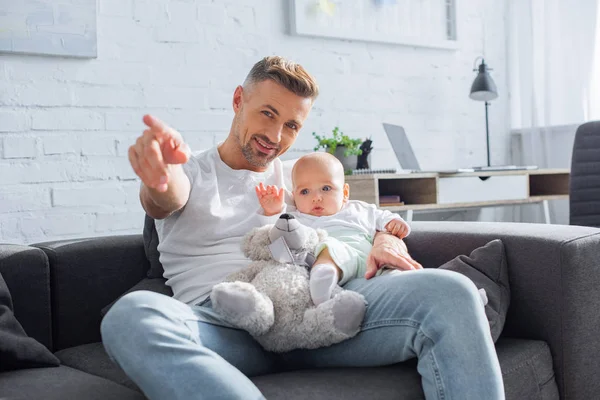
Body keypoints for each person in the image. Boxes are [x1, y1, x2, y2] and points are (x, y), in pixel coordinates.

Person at [100, 56, 505, 400]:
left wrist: (384, 238)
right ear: (239, 100)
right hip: (225, 324)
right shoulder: (191, 172)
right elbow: (165, 198)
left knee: (452, 292)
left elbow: (358, 213)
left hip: (316, 311)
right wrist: (159, 175)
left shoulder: (301, 179)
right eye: (268, 114)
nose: (275, 137)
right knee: (131, 316)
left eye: (292, 125)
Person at [255, 152, 412, 305]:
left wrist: (394, 223)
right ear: (294, 196)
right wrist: (273, 211)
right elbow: (276, 236)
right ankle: (324, 278)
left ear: (344, 192)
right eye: (305, 191)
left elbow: (383, 217)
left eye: (326, 188)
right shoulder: (296, 218)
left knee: (397, 275)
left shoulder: (358, 209)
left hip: (369, 263)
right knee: (329, 247)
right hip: (325, 264)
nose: (316, 197)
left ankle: (404, 285)